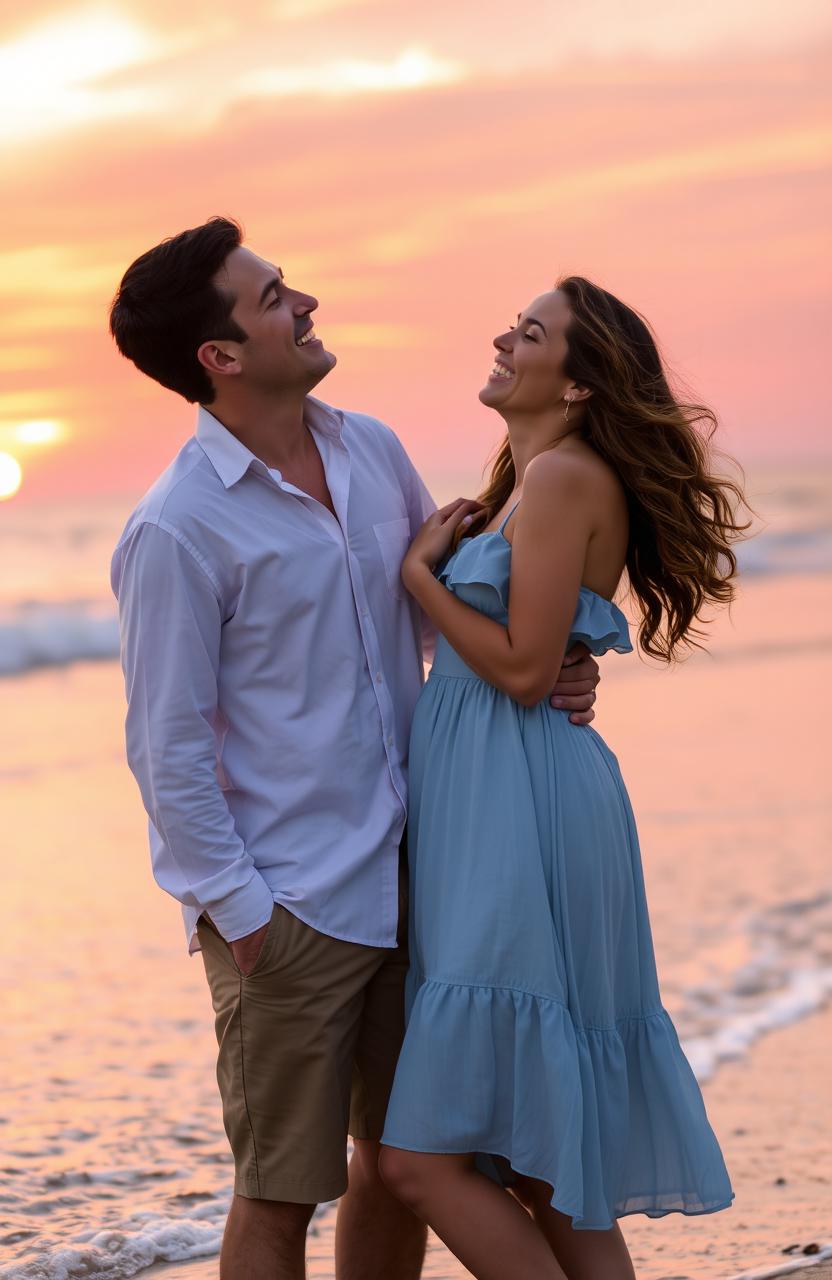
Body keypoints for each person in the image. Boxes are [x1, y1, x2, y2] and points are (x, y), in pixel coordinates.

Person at [107, 217, 601, 1280]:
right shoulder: (176, 528)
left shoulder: (370, 447)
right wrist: (244, 912)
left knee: (406, 1157)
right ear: (221, 356)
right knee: (279, 1190)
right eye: (275, 294)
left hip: (425, 874)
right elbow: (167, 747)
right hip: (291, 905)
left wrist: (555, 663)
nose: (305, 302)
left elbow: (456, 619)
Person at [378, 279, 745, 1280]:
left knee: (418, 1160)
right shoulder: (524, 481)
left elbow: (524, 668)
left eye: (529, 332)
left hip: (519, 807)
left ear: (579, 383)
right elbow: (534, 655)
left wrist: (418, 578)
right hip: (504, 794)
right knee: (546, 1162)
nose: (501, 335)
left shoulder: (558, 480)